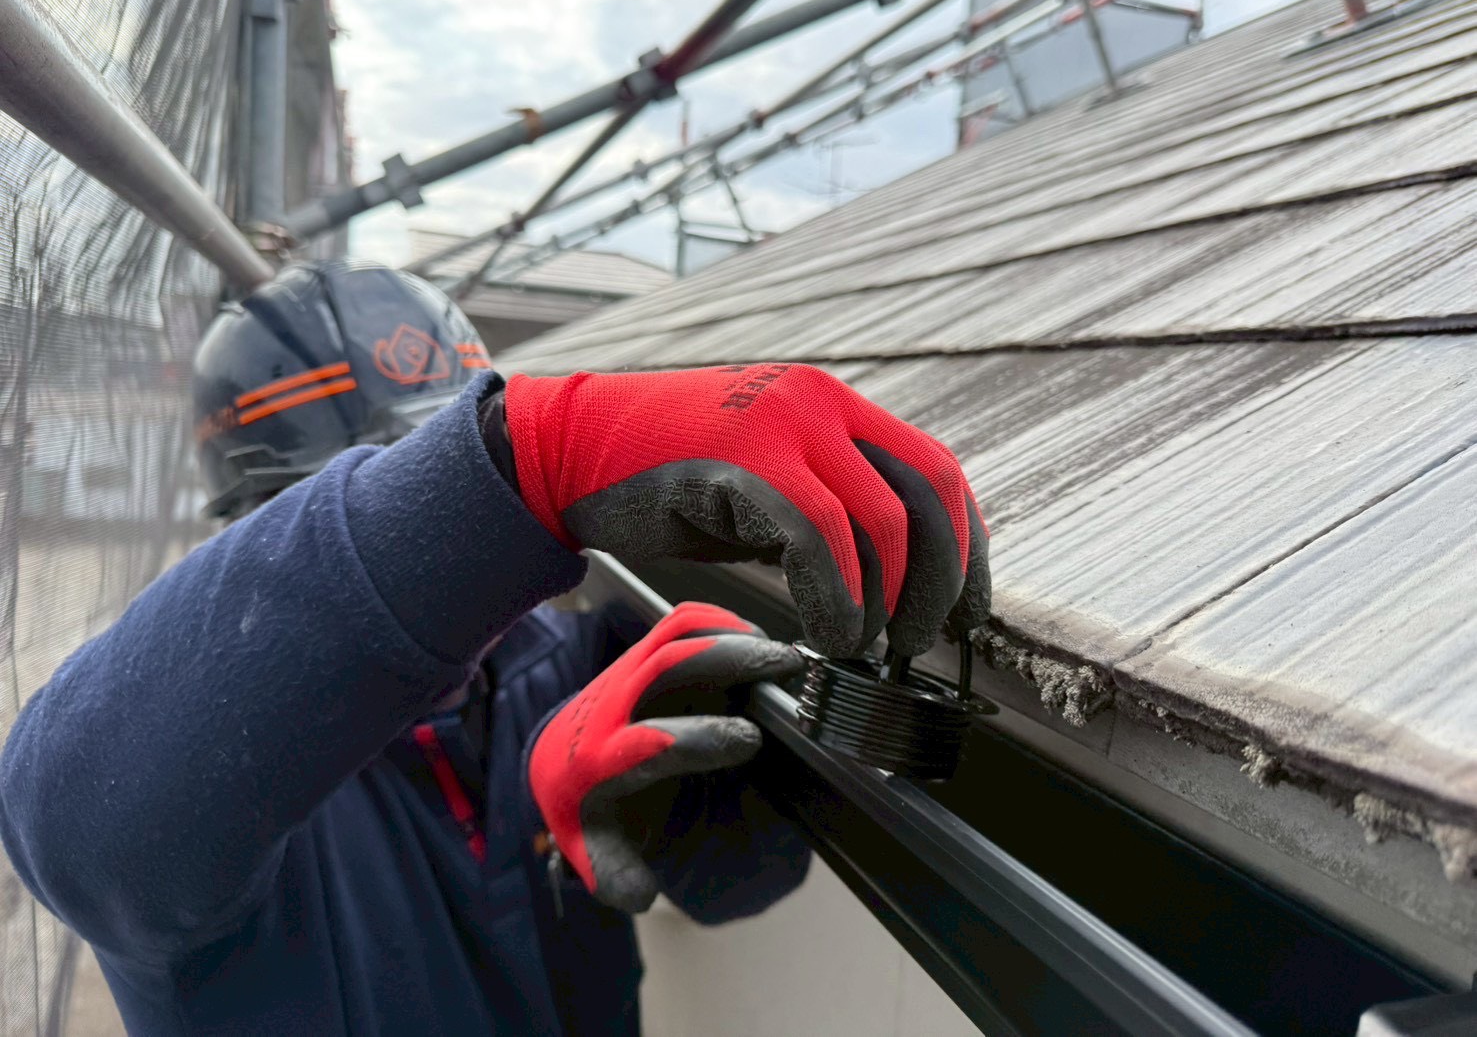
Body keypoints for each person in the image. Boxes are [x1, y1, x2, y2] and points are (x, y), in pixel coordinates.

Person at [0, 260, 991, 1035]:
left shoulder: (569, 660)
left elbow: (730, 883)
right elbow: (74, 826)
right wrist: (529, 456)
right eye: (425, 505)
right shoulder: (230, 778)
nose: (463, 566)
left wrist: (685, 810)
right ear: (266, 528)